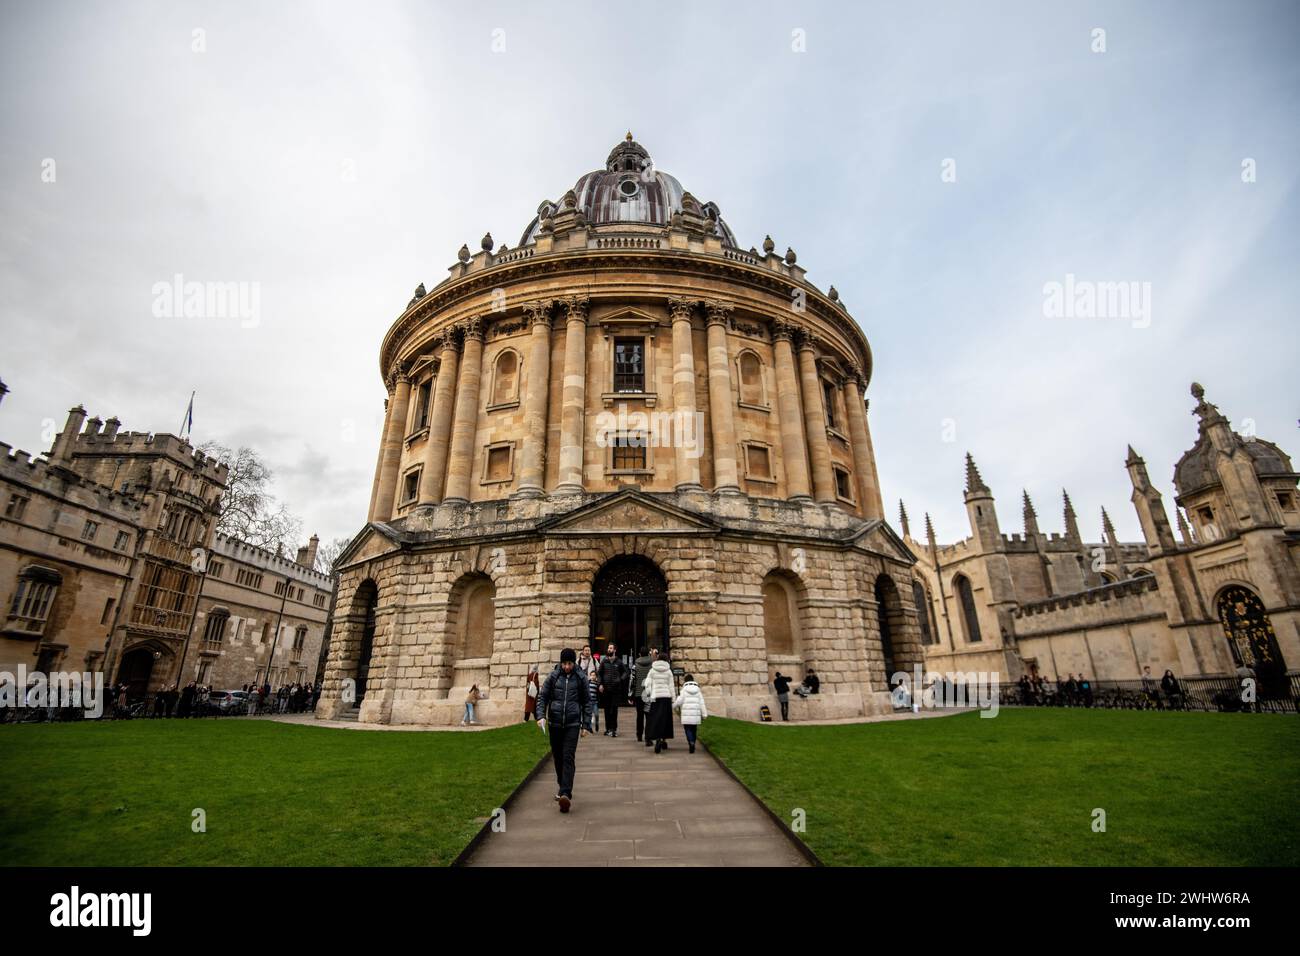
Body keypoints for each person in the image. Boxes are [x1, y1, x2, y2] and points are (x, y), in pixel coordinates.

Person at [535, 649, 593, 813]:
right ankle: (562, 786)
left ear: (574, 663)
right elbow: (543, 697)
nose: (567, 667)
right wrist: (540, 716)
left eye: (570, 663)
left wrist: (586, 725)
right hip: (554, 723)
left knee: (568, 756)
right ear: (561, 663)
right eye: (565, 663)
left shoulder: (580, 677)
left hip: (572, 724)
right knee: (558, 757)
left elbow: (587, 702)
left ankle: (566, 793)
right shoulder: (554, 677)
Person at [641, 650, 676, 753]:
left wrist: (650, 693)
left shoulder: (652, 670)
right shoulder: (668, 671)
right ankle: (664, 740)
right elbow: (671, 686)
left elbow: (647, 683)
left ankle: (657, 739)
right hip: (666, 697)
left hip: (655, 697)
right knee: (665, 720)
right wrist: (673, 699)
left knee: (656, 719)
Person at [673, 673, 708, 754]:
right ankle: (693, 742)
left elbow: (679, 701)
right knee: (694, 729)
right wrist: (704, 714)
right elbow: (701, 702)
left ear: (685, 681)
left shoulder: (684, 690)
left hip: (686, 715)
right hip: (695, 715)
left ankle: (691, 742)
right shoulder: (698, 690)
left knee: (687, 729)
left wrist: (672, 706)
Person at [597, 641, 627, 737]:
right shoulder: (604, 661)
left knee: (614, 710)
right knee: (606, 710)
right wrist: (600, 684)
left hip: (616, 690)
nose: (609, 649)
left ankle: (614, 729)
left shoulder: (619, 662)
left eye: (611, 648)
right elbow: (599, 674)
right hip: (606, 689)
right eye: (608, 648)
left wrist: (620, 679)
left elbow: (626, 672)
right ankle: (607, 729)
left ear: (614, 650)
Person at [630, 646, 654, 742]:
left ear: (639, 654)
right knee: (649, 715)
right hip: (649, 693)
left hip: (639, 693)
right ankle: (648, 736)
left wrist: (630, 694)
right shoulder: (652, 665)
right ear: (648, 654)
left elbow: (632, 681)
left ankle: (639, 735)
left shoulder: (635, 666)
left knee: (639, 716)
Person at [577, 646, 599, 732]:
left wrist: (596, 679)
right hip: (581, 687)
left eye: (588, 650)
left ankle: (588, 723)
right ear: (583, 651)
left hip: (591, 686)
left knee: (589, 706)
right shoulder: (578, 661)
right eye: (585, 650)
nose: (587, 652)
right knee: (582, 706)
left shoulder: (594, 660)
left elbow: (599, 670)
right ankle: (584, 723)